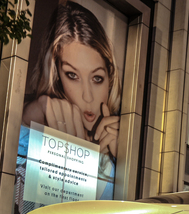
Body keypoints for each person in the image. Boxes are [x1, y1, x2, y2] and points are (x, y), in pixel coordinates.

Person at [22, 0, 121, 163]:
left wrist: (125, 157)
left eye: (97, 78)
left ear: (110, 78)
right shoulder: (37, 119)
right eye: (72, 75)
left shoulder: (123, 134)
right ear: (56, 76)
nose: (87, 97)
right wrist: (25, 121)